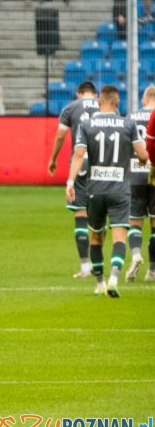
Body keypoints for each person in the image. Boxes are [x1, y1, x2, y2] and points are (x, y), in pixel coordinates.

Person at [67, 85, 149, 298]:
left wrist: (70, 181)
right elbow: (143, 155)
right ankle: (114, 277)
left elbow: (78, 154)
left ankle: (100, 283)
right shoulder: (127, 124)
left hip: (95, 189)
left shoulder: (87, 124)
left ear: (98, 102)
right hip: (120, 190)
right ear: (117, 102)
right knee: (119, 236)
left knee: (96, 237)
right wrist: (140, 157)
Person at [47, 82, 100, 277]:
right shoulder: (105, 106)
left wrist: (53, 159)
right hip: (101, 165)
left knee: (80, 215)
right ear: (95, 94)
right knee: (98, 216)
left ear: (79, 94)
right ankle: (99, 263)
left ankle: (85, 267)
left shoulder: (70, 108)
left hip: (80, 163)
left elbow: (60, 135)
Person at [126, 85, 155, 282]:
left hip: (135, 174)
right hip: (154, 173)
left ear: (143, 100)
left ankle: (136, 254)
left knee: (135, 222)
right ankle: (152, 270)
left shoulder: (130, 118)